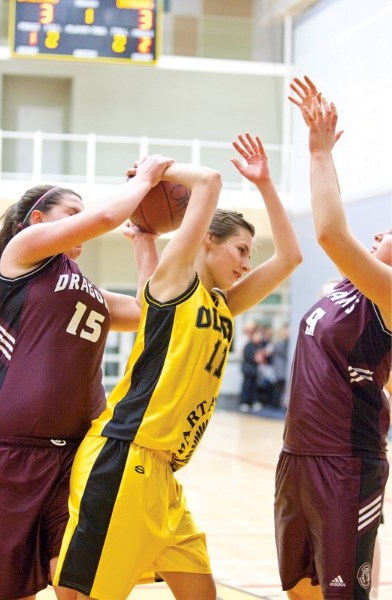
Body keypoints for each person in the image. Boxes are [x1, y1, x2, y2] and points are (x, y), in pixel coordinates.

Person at [53, 133, 302, 600]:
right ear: (206, 240)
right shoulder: (174, 283)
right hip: (124, 458)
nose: (247, 263)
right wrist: (153, 172)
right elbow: (208, 180)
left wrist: (267, 185)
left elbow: (291, 257)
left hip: (164, 475)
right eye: (241, 250)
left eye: (250, 253)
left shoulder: (222, 304)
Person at [0, 153, 174, 600]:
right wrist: (146, 179)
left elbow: (149, 312)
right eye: (72, 213)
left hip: (77, 451)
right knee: (10, 588)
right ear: (38, 220)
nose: (83, 223)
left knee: (73, 579)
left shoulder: (89, 288)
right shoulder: (25, 255)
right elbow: (107, 215)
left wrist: (143, 241)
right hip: (14, 448)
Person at [274, 75, 392, 600]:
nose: (376, 235)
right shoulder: (343, 288)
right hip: (296, 454)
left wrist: (319, 152)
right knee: (300, 587)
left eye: (387, 232)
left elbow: (329, 231)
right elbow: (338, 227)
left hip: (345, 463)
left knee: (345, 594)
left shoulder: (388, 293)